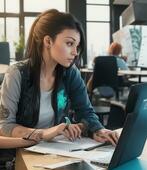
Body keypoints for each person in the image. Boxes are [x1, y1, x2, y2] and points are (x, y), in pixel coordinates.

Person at [0, 9, 118, 150]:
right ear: (48, 41)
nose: (75, 52)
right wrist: (43, 133)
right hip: (21, 153)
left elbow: (86, 111)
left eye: (77, 46)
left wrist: (99, 130)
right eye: (69, 44)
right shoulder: (17, 74)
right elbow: (5, 126)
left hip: (56, 149)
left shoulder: (70, 73)